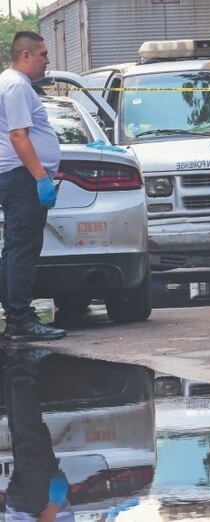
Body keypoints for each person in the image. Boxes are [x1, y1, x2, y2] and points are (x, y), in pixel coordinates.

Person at [0, 32, 65, 341]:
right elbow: (18, 136)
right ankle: (20, 320)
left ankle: (15, 317)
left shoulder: (15, 84)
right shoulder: (15, 86)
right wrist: (40, 177)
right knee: (23, 249)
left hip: (18, 176)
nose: (47, 61)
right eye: (42, 54)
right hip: (22, 177)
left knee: (15, 249)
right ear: (25, 56)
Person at [3, 349, 73, 521]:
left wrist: (51, 508)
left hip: (36, 504)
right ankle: (14, 364)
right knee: (22, 432)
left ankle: (24, 366)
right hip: (23, 504)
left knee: (29, 432)